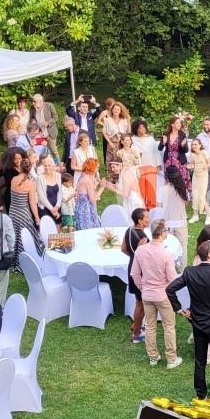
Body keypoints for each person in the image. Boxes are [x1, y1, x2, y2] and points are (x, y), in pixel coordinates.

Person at [167, 239, 210, 401]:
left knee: (200, 360)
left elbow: (170, 289)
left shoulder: (189, 272)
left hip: (197, 322)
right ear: (209, 255)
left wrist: (180, 309)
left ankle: (200, 394)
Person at [131, 219, 183, 368]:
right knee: (168, 326)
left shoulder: (141, 250)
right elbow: (173, 278)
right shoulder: (166, 254)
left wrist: (143, 287)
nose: (167, 232)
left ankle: (153, 357)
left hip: (147, 294)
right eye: (166, 230)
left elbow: (134, 273)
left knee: (150, 326)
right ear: (161, 233)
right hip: (163, 295)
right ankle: (171, 358)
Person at [122, 208, 151, 345]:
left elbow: (123, 249)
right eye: (146, 217)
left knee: (138, 302)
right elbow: (145, 256)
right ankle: (136, 334)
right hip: (140, 272)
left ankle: (136, 325)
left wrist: (133, 256)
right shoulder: (143, 238)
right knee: (141, 305)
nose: (148, 219)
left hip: (131, 267)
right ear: (140, 221)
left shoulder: (129, 230)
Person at [9, 156, 42, 268]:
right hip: (23, 213)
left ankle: (13, 259)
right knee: (25, 237)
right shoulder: (30, 184)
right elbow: (32, 203)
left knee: (15, 235)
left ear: (20, 168)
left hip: (13, 212)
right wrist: (37, 218)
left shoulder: (13, 179)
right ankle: (24, 260)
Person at [73, 158, 115, 230]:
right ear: (92, 168)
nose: (97, 169)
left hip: (81, 207)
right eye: (97, 167)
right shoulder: (87, 180)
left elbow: (86, 190)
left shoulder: (84, 175)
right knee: (89, 231)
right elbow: (92, 199)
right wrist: (102, 188)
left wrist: (95, 183)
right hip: (86, 210)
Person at [161, 164, 190, 256]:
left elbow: (159, 206)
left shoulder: (163, 190)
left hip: (167, 223)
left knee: (168, 250)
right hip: (181, 222)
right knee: (182, 249)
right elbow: (186, 202)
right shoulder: (183, 189)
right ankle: (181, 270)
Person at [132, 119, 161, 208]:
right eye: (140, 128)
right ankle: (142, 207)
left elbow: (156, 152)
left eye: (144, 127)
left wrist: (158, 164)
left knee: (151, 188)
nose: (142, 129)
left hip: (151, 166)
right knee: (141, 189)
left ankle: (152, 207)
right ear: (136, 129)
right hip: (139, 167)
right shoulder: (133, 139)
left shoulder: (150, 139)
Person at [101, 101, 131, 183]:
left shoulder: (124, 120)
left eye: (118, 109)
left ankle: (121, 178)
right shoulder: (108, 120)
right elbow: (104, 132)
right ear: (112, 110)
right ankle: (111, 178)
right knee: (111, 160)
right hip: (112, 142)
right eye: (115, 109)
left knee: (121, 159)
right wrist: (109, 142)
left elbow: (128, 131)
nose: (116, 111)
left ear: (120, 111)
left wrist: (128, 120)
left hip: (122, 143)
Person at [34, 153, 62, 227]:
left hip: (56, 207)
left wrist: (57, 206)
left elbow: (60, 193)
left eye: (49, 165)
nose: (47, 168)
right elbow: (41, 197)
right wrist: (52, 209)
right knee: (48, 232)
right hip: (45, 208)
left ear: (53, 166)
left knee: (58, 229)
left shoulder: (58, 176)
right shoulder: (40, 178)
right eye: (45, 166)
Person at [188, 138, 210, 225]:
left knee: (202, 196)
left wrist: (206, 166)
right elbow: (192, 164)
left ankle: (208, 216)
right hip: (195, 176)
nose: (194, 146)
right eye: (193, 144)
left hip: (203, 176)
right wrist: (190, 166)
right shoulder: (192, 154)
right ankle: (195, 215)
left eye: (196, 144)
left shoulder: (204, 152)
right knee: (195, 195)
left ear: (200, 145)